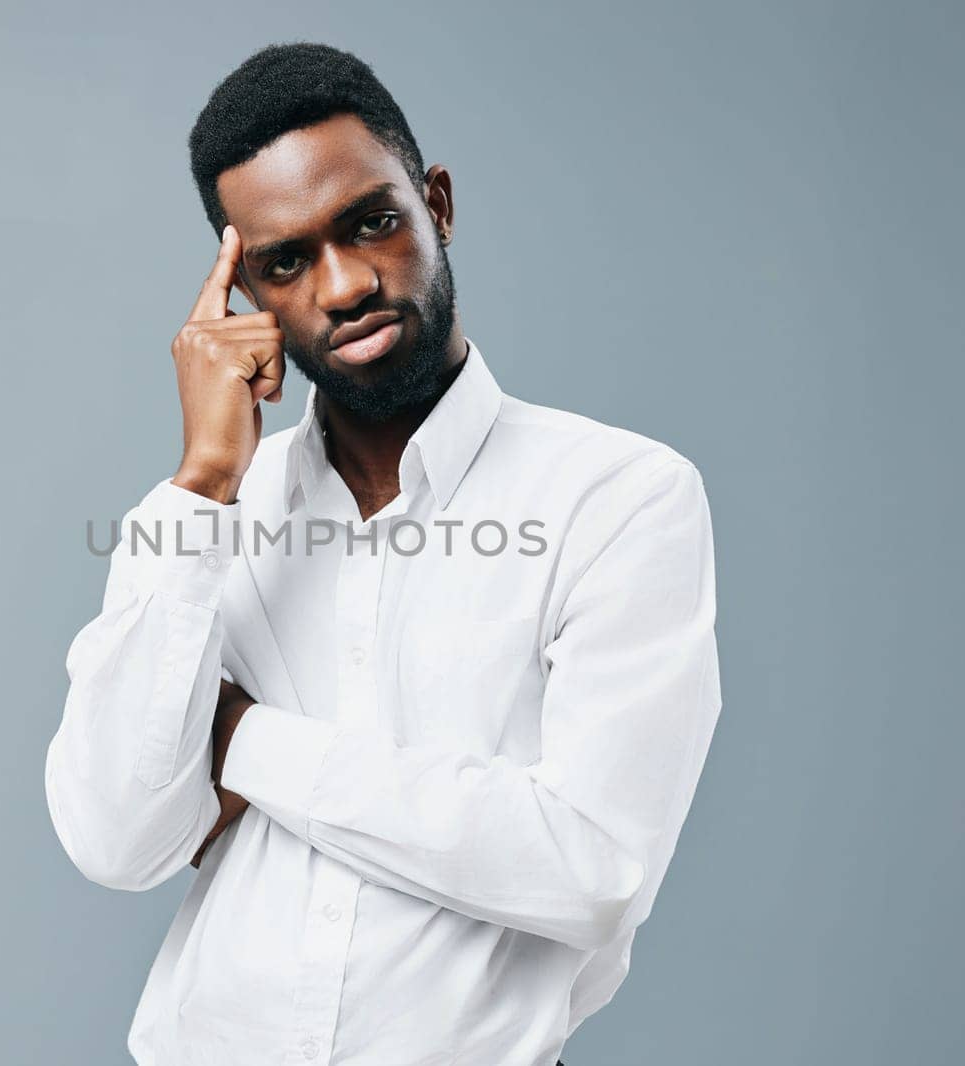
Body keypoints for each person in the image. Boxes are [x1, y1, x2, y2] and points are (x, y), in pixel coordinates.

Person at [45, 41, 722, 1066]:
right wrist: (203, 484)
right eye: (285, 261)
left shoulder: (617, 497)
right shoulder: (212, 520)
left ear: (435, 204)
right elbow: (116, 841)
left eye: (372, 222)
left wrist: (245, 744)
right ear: (247, 299)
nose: (348, 282)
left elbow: (589, 869)